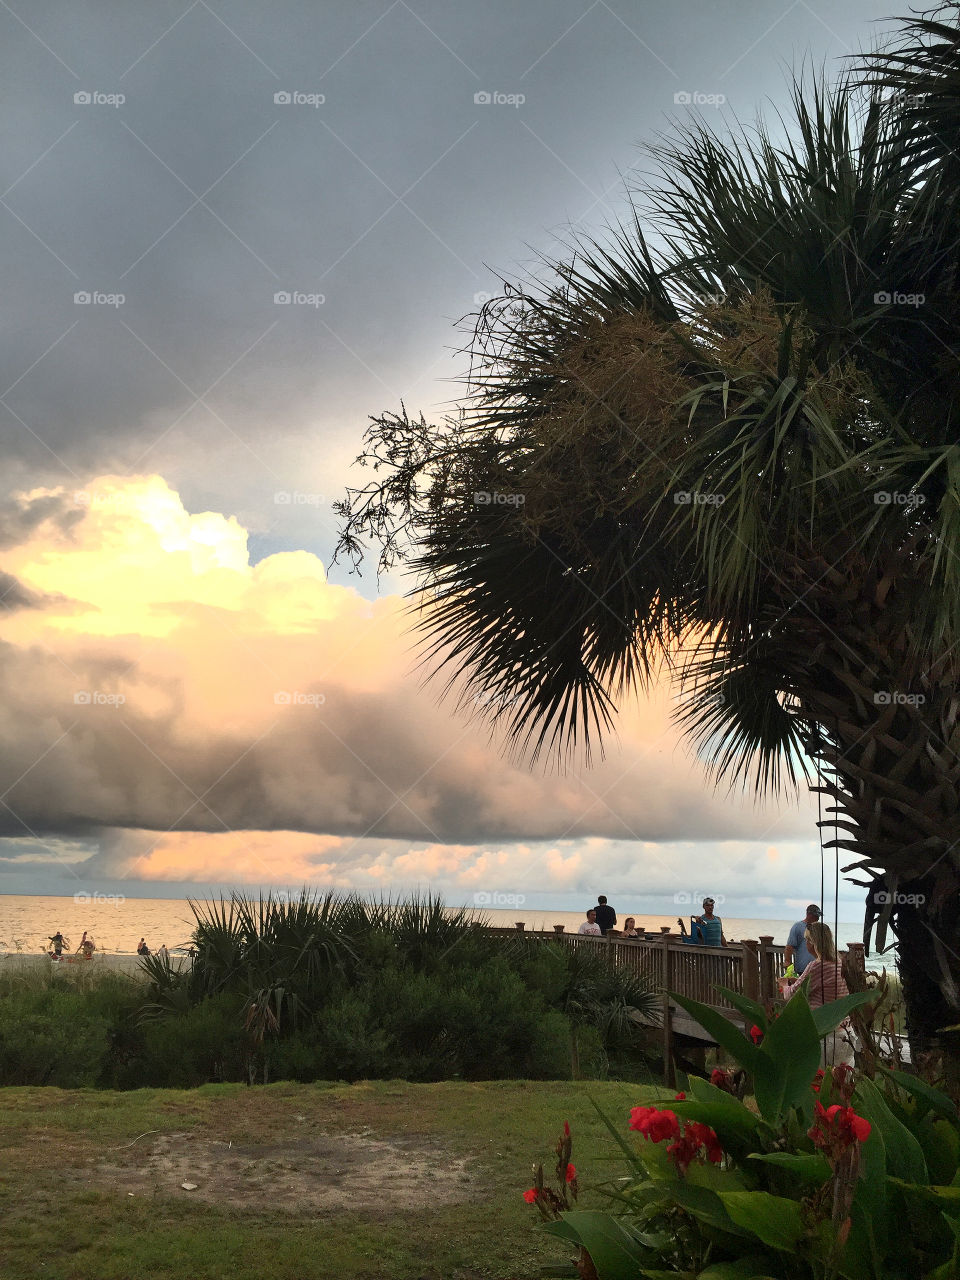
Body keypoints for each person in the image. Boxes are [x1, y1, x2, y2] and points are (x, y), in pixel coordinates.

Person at [785, 920, 853, 1064]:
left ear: (812, 942)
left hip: (824, 1034)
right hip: (847, 1033)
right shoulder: (841, 963)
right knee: (843, 1082)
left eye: (806, 940)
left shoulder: (816, 966)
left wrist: (785, 984)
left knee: (820, 1081)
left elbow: (791, 994)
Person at [784, 904, 822, 975]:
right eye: (816, 916)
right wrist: (787, 962)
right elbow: (790, 946)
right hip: (802, 969)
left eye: (818, 916)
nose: (818, 918)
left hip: (817, 969)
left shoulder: (819, 928)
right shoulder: (797, 927)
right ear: (809, 914)